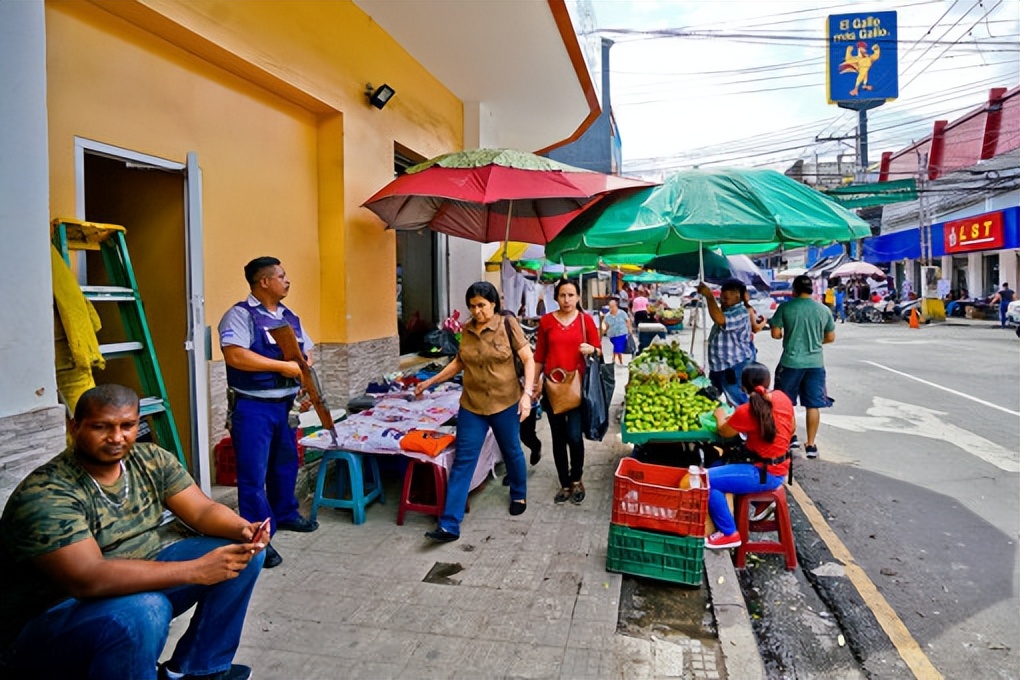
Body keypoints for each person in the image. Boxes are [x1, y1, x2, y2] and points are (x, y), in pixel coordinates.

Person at [0, 385, 264, 680]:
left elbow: (202, 511)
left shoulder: (149, 459)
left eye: (127, 426)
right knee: (146, 611)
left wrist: (242, 528)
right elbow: (88, 579)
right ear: (74, 427)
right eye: (101, 427)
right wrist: (197, 570)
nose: (116, 437)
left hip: (127, 583)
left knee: (243, 553)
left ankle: (197, 670)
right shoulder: (47, 493)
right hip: (49, 621)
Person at [218, 256, 318, 570]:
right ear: (264, 282)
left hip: (285, 406)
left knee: (285, 465)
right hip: (253, 407)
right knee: (252, 475)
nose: (287, 281)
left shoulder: (289, 316)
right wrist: (283, 367)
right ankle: (258, 538)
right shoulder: (240, 315)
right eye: (282, 276)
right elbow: (235, 355)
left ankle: (285, 514)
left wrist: (304, 372)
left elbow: (307, 351)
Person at [415, 281, 535, 542]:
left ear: (493, 304)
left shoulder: (507, 325)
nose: (477, 311)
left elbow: (528, 359)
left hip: (505, 402)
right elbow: (459, 362)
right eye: (472, 306)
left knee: (511, 449)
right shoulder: (467, 330)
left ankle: (518, 492)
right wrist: (431, 381)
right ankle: (449, 524)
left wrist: (526, 396)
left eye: (482, 305)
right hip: (472, 404)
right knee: (463, 460)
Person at [704, 363, 795, 549]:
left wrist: (720, 415)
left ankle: (729, 533)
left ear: (743, 386)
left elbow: (723, 431)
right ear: (768, 382)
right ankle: (756, 507)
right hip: (779, 467)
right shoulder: (783, 398)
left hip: (764, 474)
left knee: (706, 480)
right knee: (716, 463)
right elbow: (791, 428)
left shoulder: (745, 411)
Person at [534, 278, 602, 505]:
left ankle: (577, 479)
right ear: (556, 297)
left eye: (571, 295)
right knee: (558, 438)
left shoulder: (586, 320)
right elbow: (539, 356)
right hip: (552, 388)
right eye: (563, 295)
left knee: (574, 436)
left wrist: (592, 348)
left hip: (576, 388)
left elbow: (599, 351)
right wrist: (534, 384)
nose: (567, 300)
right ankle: (564, 482)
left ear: (578, 297)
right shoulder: (546, 322)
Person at [770, 275, 836, 459]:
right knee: (813, 404)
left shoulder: (786, 308)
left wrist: (788, 334)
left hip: (790, 362)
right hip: (815, 364)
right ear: (811, 290)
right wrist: (814, 341)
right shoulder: (823, 310)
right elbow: (830, 338)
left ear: (795, 290)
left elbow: (775, 334)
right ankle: (811, 445)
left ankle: (791, 438)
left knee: (786, 402)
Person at [697, 280, 757, 407]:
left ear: (737, 296)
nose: (722, 301)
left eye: (726, 298)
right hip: (718, 368)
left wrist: (709, 296)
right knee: (709, 399)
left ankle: (743, 425)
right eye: (721, 298)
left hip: (732, 367)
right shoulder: (728, 311)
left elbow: (720, 319)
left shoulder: (741, 313)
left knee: (738, 402)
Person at [601, 296, 633, 365]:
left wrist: (630, 329)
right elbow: (605, 324)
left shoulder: (622, 313)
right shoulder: (607, 316)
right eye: (610, 307)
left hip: (622, 333)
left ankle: (614, 360)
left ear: (616, 306)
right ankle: (618, 360)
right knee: (617, 347)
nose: (611, 308)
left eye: (613, 306)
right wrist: (603, 331)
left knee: (618, 346)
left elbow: (627, 320)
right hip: (612, 334)